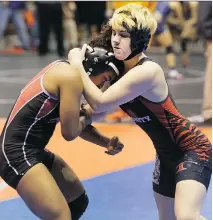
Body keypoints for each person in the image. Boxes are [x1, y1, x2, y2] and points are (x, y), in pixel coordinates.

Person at [68, 4, 212, 220]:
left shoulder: (148, 71)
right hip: (165, 156)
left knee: (186, 216)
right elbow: (96, 112)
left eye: (123, 35)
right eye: (114, 33)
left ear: (139, 40)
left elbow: (99, 103)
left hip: (191, 149)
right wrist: (72, 118)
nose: (115, 40)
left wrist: (77, 64)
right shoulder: (120, 69)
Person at [0, 45, 124, 220]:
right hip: (16, 153)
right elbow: (70, 132)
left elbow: (77, 122)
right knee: (61, 216)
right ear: (93, 68)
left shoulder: (69, 73)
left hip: (32, 150)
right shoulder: (69, 77)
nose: (101, 86)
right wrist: (89, 114)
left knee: (77, 202)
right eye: (104, 79)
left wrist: (106, 142)